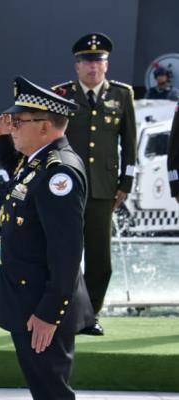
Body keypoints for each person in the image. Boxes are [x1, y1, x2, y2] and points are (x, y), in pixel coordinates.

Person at [0, 76, 95, 400]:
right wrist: (0, 139)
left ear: (45, 126)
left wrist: (50, 311)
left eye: (19, 122)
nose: (14, 127)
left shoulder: (57, 172)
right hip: (28, 299)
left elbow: (66, 252)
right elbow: (18, 177)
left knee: (52, 391)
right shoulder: (37, 162)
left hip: (42, 305)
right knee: (42, 387)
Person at [52, 32, 136, 336]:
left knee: (100, 260)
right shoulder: (60, 95)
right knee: (65, 255)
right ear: (77, 67)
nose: (92, 68)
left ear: (106, 65)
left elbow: (129, 144)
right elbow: (50, 141)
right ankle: (62, 313)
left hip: (103, 188)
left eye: (98, 62)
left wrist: (125, 182)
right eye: (87, 62)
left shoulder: (122, 95)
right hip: (65, 188)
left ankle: (90, 316)